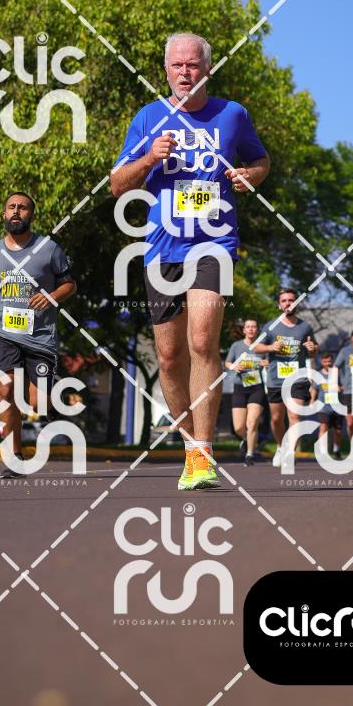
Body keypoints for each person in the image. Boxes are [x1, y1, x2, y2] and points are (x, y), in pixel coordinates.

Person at [110, 32, 269, 490]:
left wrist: (250, 176)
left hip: (214, 243)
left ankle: (204, 451)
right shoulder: (148, 117)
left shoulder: (232, 114)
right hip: (162, 248)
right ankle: (189, 449)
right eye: (177, 65)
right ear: (166, 71)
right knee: (169, 356)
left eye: (193, 64)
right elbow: (117, 185)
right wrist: (148, 158)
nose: (185, 72)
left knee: (202, 341)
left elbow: (261, 160)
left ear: (207, 68)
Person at [0, 193, 76, 478]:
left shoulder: (49, 248)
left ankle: (52, 404)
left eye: (22, 208)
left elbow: (70, 285)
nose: (16, 211)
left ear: (31, 215)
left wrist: (50, 296)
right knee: (6, 388)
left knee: (36, 403)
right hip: (4, 333)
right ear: (3, 214)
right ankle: (14, 457)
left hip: (40, 336)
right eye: (11, 207)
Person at [254, 288, 318, 467]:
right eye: (284, 300)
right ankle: (281, 447)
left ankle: (290, 453)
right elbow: (256, 347)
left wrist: (312, 348)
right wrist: (270, 348)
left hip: (298, 379)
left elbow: (314, 348)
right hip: (276, 379)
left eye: (291, 300)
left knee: (295, 415)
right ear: (279, 305)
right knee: (276, 419)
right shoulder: (271, 326)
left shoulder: (305, 327)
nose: (288, 303)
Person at [225, 319, 268, 465]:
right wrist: (234, 367)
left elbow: (269, 362)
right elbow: (228, 362)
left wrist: (265, 363)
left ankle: (250, 454)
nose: (250, 329)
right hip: (240, 387)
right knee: (238, 427)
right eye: (248, 327)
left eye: (253, 326)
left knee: (252, 422)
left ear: (257, 330)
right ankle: (248, 440)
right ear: (244, 330)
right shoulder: (236, 346)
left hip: (257, 387)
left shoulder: (262, 347)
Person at [310, 351, 343, 459]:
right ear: (321, 362)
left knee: (338, 431)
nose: (327, 363)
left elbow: (345, 386)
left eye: (329, 361)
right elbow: (314, 389)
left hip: (337, 406)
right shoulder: (318, 374)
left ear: (332, 361)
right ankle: (323, 452)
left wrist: (340, 388)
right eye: (325, 361)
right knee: (323, 427)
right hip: (323, 407)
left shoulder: (338, 373)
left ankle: (336, 450)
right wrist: (312, 401)